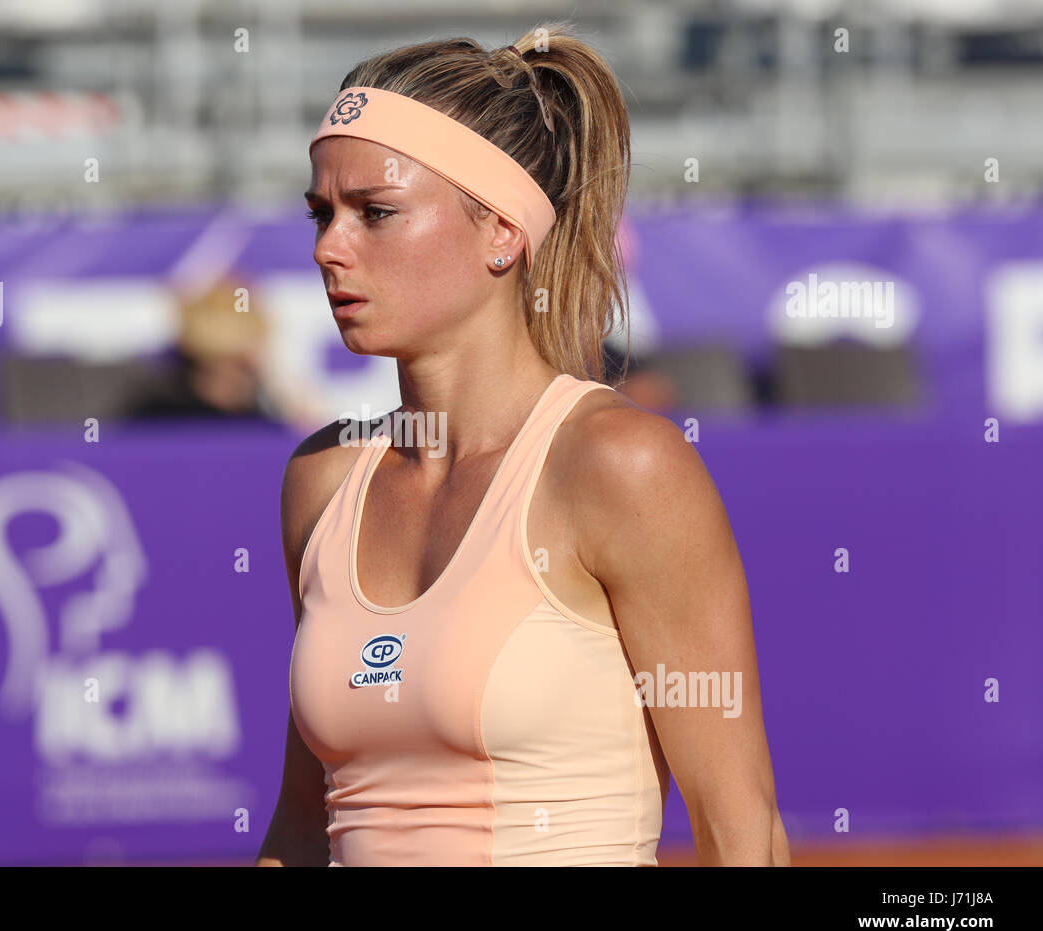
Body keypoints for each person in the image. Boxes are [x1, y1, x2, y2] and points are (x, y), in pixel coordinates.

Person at [257, 22, 789, 866]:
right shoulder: (322, 479)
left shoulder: (620, 464)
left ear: (502, 232)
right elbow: (300, 827)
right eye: (322, 212)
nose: (329, 247)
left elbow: (741, 830)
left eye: (376, 213)